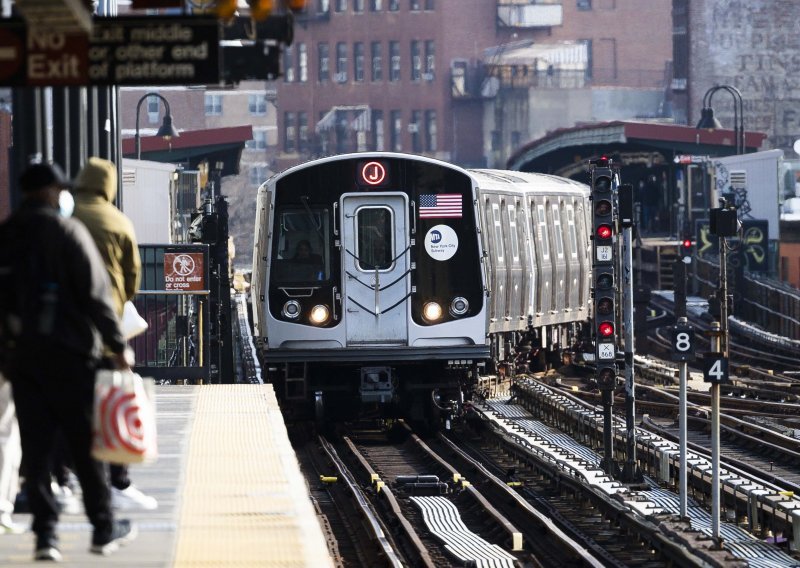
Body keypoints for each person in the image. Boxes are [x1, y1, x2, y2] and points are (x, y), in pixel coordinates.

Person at [0, 162, 136, 560]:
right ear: (48, 191)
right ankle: (103, 528)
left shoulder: (6, 235)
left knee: (36, 448)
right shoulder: (67, 231)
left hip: (24, 359)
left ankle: (46, 536)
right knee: (85, 445)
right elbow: (96, 295)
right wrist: (116, 345)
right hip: (72, 357)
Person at [72, 157, 157, 512]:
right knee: (114, 397)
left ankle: (65, 479)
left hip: (68, 328)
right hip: (107, 328)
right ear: (108, 187)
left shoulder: (68, 217)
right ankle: (118, 479)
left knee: (71, 405)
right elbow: (132, 277)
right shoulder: (118, 221)